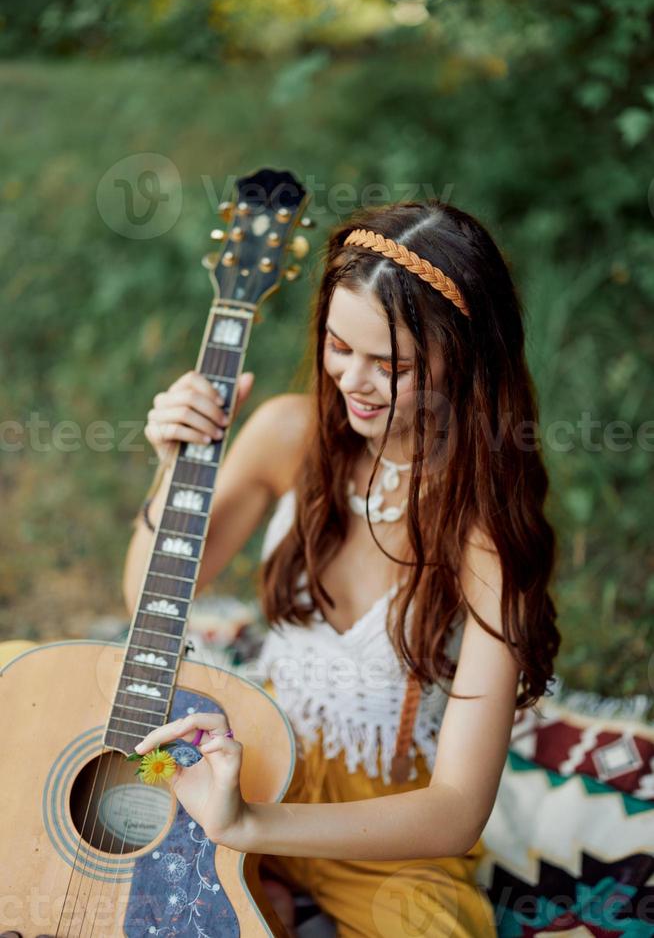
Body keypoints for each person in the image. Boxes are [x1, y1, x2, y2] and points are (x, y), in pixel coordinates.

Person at [124, 198, 561, 937]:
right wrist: (175, 470)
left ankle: (271, 893)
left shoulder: (484, 536)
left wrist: (251, 828)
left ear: (466, 359)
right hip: (251, 753)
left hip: (383, 828)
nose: (353, 381)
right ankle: (269, 899)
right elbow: (151, 591)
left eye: (390, 366)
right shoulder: (289, 434)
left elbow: (454, 812)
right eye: (337, 347)